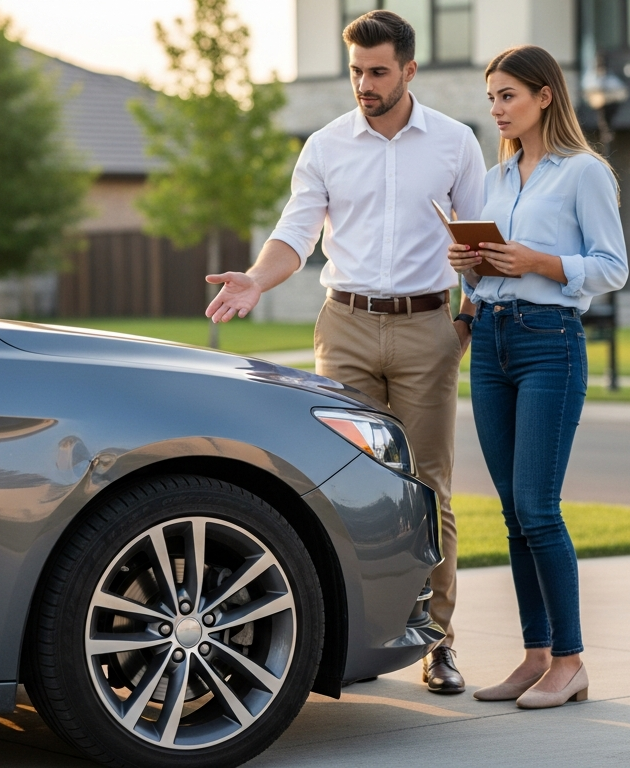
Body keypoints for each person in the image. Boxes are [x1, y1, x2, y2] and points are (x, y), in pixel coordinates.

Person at [204, 10, 484, 694]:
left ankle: (438, 643)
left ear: (409, 70)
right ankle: (357, 642)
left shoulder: (455, 143)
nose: (364, 84)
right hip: (346, 326)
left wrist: (466, 319)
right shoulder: (326, 145)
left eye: (378, 72)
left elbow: (480, 239)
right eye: (356, 71)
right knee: (342, 488)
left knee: (428, 490)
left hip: (425, 328)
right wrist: (257, 279)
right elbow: (295, 232)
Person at [448, 44, 627, 709]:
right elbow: (488, 273)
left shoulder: (584, 172)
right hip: (491, 339)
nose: (497, 109)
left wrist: (536, 261)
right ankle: (535, 655)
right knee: (512, 513)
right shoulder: (495, 180)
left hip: (549, 342)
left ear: (544, 96)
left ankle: (570, 660)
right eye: (491, 98)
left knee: (537, 508)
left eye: (508, 96)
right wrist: (469, 267)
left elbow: (612, 267)